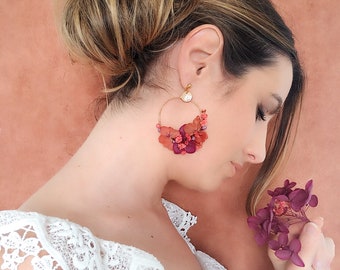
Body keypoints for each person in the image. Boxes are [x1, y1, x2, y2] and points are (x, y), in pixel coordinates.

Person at [0, 0, 335, 269]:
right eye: (261, 110)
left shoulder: (171, 229)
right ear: (200, 61)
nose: (259, 153)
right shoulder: (36, 254)